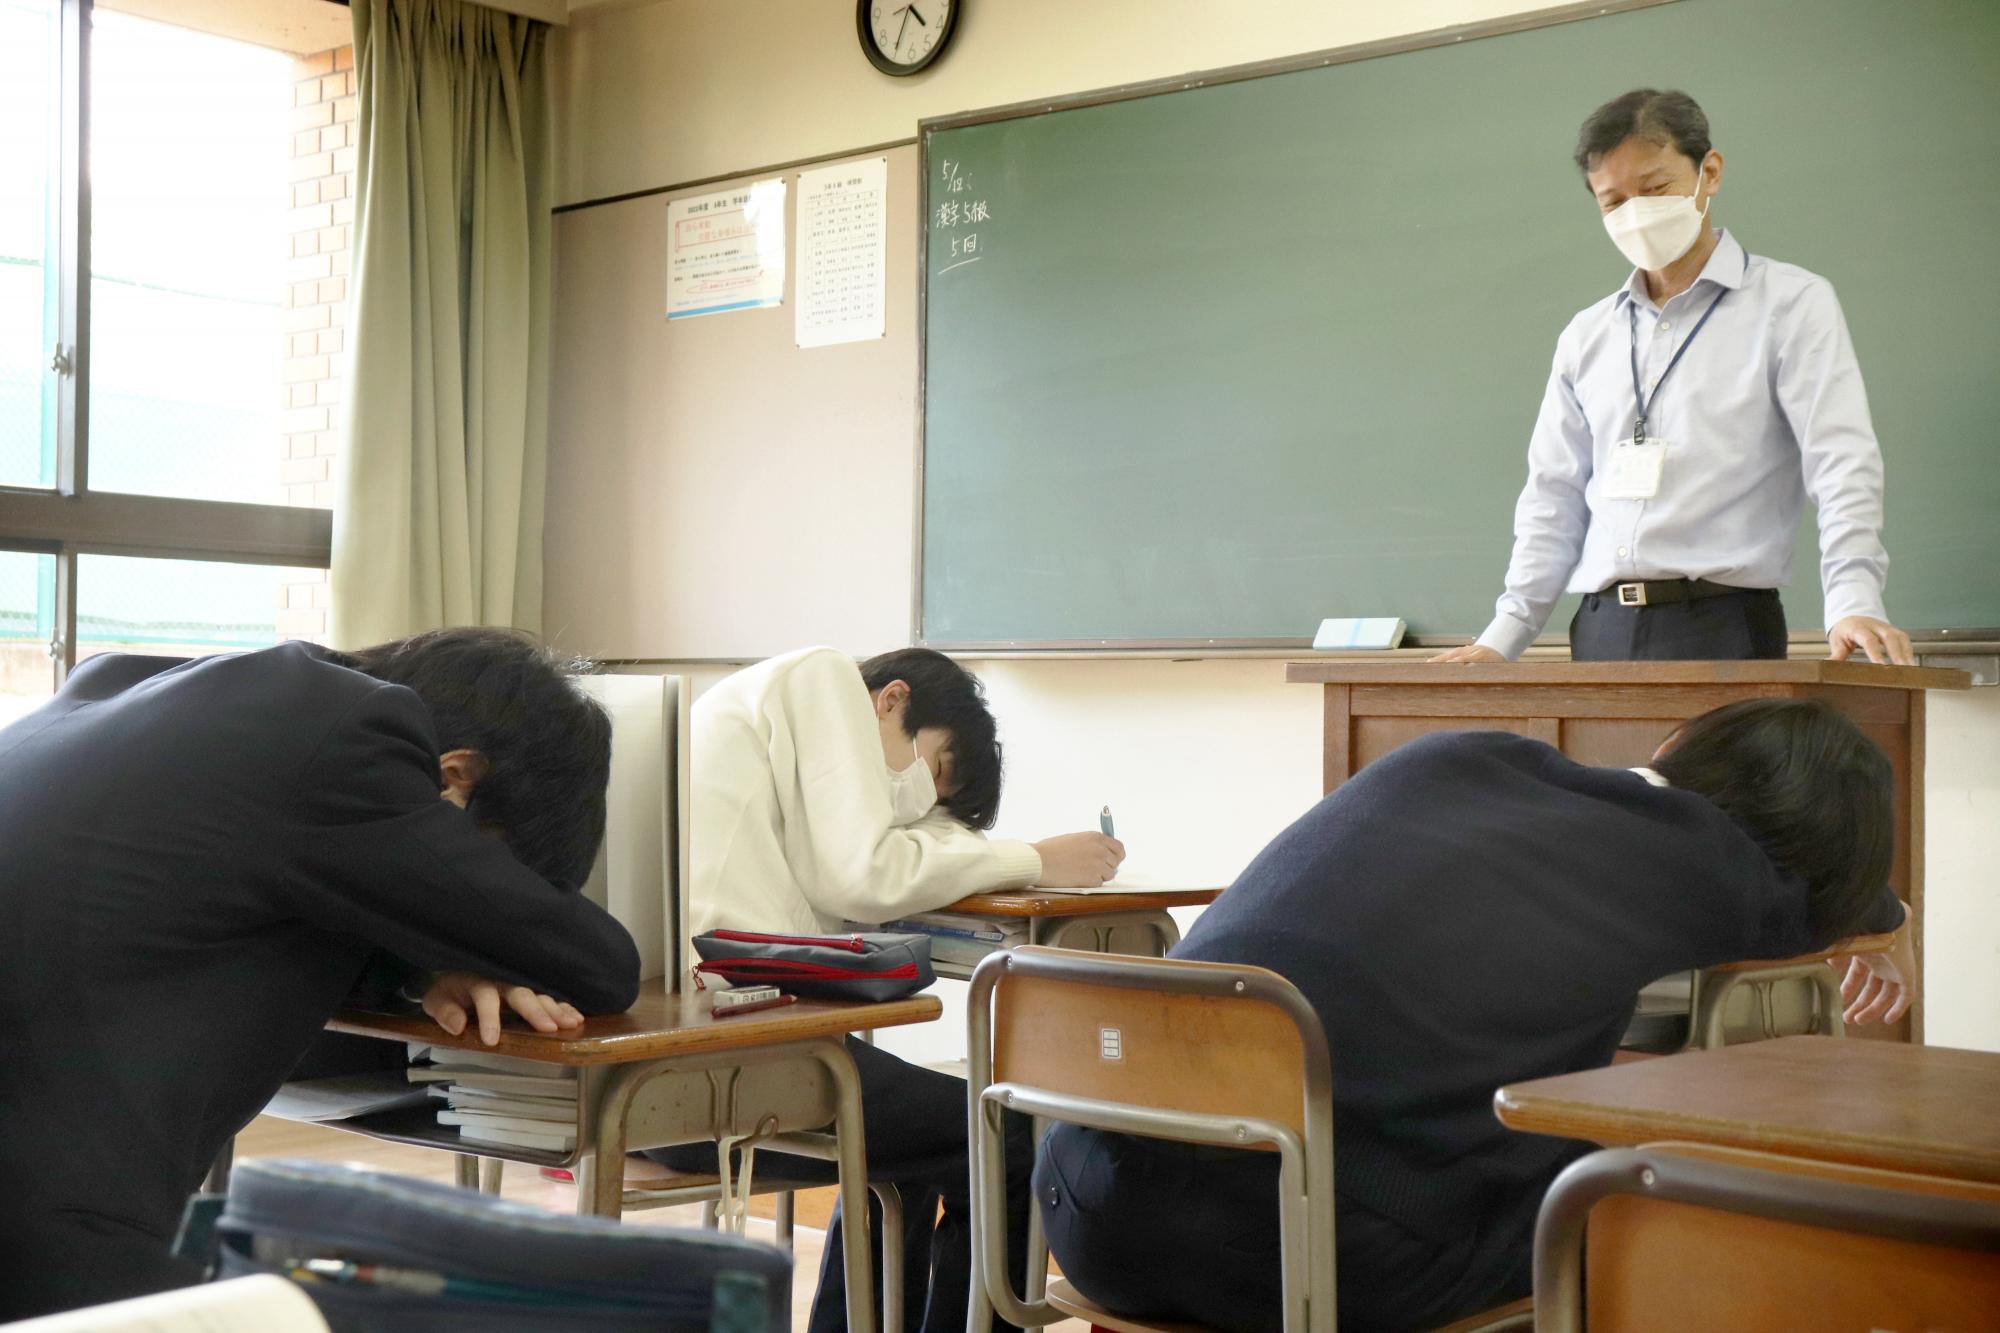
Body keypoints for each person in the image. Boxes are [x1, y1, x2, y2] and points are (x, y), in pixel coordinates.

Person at [1035, 699, 1913, 1331]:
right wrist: (1894, 919)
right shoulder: (1703, 853)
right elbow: (1810, 904)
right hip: (1300, 1258)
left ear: (1676, 741)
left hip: (1084, 1205)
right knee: (1641, 1186)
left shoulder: (1458, 754)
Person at [0, 628, 642, 1320]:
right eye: (488, 864)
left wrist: (424, 967)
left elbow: (228, 891)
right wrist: (478, 937)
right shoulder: (357, 741)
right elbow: (603, 966)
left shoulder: (126, 680)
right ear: (456, 777)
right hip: (44, 1244)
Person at [648, 646, 1125, 1333]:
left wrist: (951, 829)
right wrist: (1038, 858)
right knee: (1009, 1136)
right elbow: (861, 876)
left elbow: (869, 857)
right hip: (731, 1063)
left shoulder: (759, 710)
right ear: (891, 699)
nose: (918, 796)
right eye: (932, 768)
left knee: (916, 1138)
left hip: (688, 1057)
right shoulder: (823, 678)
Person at [1433, 89, 1913, 667]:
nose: (1635, 213)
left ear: (1709, 172)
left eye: (1656, 189)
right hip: (1599, 627)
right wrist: (1503, 636)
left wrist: (1854, 600)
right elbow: (1552, 495)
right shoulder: (1588, 336)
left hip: (1724, 622)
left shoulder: (1791, 304)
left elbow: (1840, 461)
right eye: (1613, 202)